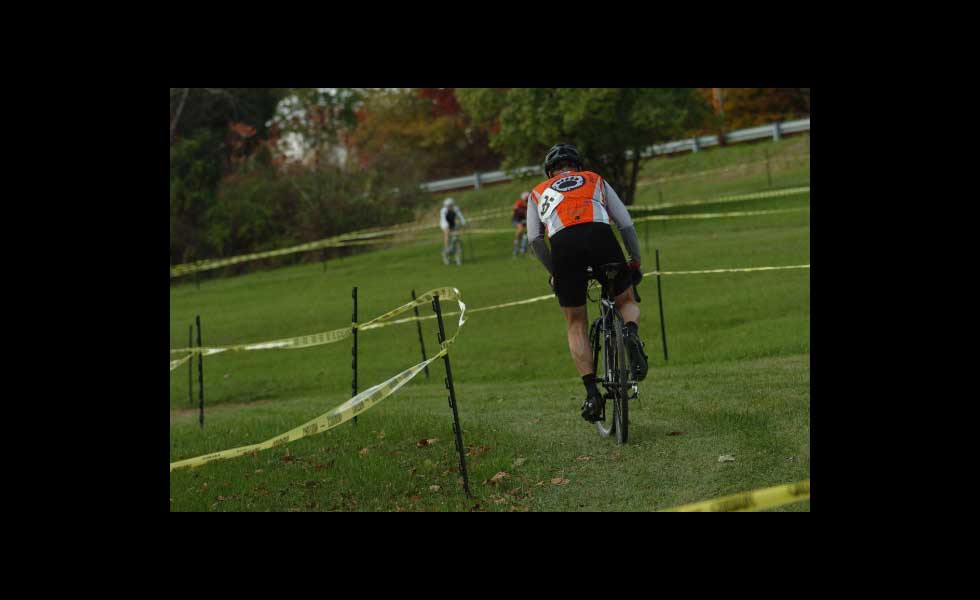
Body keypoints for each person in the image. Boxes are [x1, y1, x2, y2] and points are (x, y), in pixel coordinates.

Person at [525, 144, 649, 423]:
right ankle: (629, 332)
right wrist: (635, 262)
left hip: (564, 244)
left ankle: (592, 394)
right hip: (600, 236)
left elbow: (534, 238)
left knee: (576, 322)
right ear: (577, 167)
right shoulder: (595, 179)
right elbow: (626, 224)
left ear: (549, 172)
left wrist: (555, 270)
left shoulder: (538, 190)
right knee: (625, 301)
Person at [439, 197, 467, 265]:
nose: (449, 207)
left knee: (456, 238)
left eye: (450, 205)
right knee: (447, 235)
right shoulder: (443, 211)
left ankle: (457, 256)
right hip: (444, 224)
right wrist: (447, 228)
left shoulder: (456, 208)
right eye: (448, 206)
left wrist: (464, 223)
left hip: (453, 224)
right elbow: (443, 220)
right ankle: (446, 249)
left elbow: (460, 216)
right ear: (445, 206)